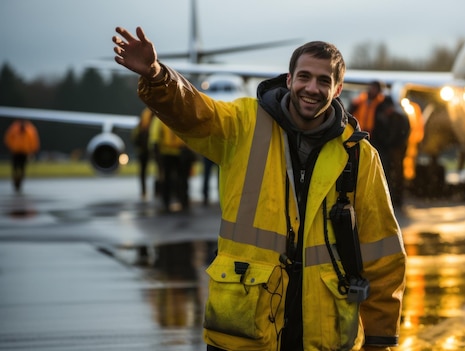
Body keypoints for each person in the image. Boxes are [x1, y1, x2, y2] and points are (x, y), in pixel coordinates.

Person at [112, 26, 406, 351]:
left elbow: (384, 255)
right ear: (289, 79)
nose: (312, 88)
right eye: (304, 77)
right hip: (245, 324)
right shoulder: (243, 124)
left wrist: (380, 340)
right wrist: (157, 75)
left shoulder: (360, 156)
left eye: (324, 81)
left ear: (338, 90)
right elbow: (193, 112)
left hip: (322, 331)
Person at [369, 96, 410, 208]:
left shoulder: (398, 118)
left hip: (396, 149)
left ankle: (397, 199)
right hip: (388, 149)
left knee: (396, 174)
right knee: (389, 174)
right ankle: (391, 198)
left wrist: (393, 145)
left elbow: (402, 134)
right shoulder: (385, 117)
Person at [149, 118, 195, 212]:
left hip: (180, 152)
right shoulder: (161, 118)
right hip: (167, 153)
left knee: (181, 179)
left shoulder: (164, 117)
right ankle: (169, 202)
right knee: (169, 179)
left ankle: (182, 201)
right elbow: (155, 136)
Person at [4, 119, 40, 193]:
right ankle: (15, 181)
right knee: (15, 167)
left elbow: (33, 141)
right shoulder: (14, 129)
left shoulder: (30, 130)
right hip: (16, 152)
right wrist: (12, 147)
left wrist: (32, 151)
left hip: (24, 152)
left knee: (22, 168)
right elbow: (8, 138)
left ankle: (19, 182)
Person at [132, 107, 154, 200]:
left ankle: (144, 191)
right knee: (162, 170)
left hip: (144, 149)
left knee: (143, 172)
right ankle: (155, 191)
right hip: (150, 148)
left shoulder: (144, 114)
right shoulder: (152, 114)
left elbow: (135, 136)